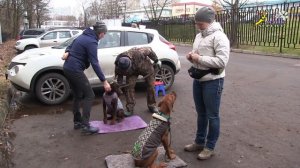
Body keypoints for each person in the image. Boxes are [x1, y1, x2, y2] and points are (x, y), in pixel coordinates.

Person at [184, 7, 230, 160]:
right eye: (197, 23)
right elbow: (198, 54)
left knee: (212, 116)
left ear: (210, 22)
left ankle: (209, 147)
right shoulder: (199, 36)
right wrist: (191, 57)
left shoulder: (220, 37)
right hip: (198, 80)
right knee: (201, 113)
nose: (198, 26)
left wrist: (199, 59)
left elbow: (222, 61)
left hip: (213, 81)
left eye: (201, 24)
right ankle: (199, 142)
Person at [62, 21, 111, 134]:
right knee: (90, 95)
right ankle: (86, 126)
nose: (104, 36)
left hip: (68, 68)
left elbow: (70, 45)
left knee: (78, 95)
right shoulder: (92, 41)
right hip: (75, 69)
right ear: (101, 33)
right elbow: (94, 62)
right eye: (104, 33)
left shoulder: (84, 35)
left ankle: (77, 122)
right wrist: (104, 81)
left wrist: (68, 51)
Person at [114, 47, 162, 116]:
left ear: (130, 62)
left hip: (145, 67)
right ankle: (130, 108)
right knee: (128, 88)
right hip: (132, 73)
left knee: (151, 86)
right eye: (125, 70)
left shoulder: (138, 53)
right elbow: (119, 79)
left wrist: (156, 60)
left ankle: (152, 105)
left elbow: (149, 50)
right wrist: (118, 88)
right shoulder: (118, 66)